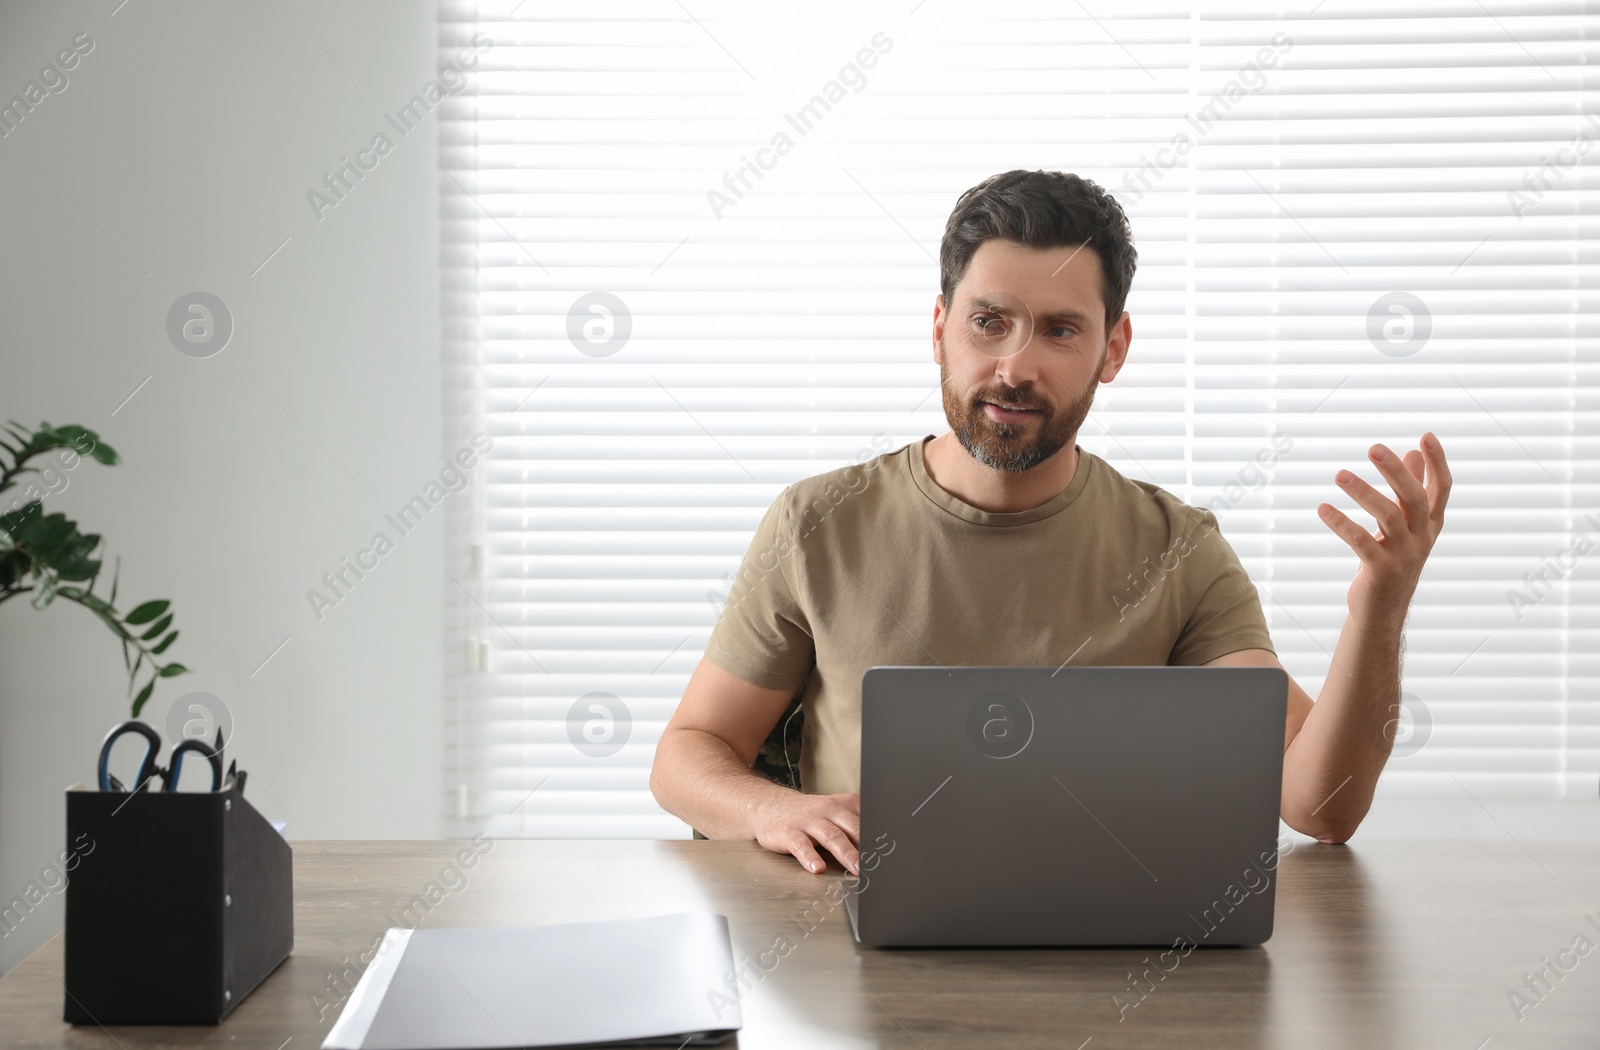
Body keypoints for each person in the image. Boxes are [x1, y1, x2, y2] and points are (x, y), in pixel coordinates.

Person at [650, 169, 1452, 876]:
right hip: (854, 948)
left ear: (1114, 348)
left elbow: (1321, 806)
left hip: (1108, 951)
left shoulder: (1178, 550)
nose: (1015, 367)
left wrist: (1378, 609)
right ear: (940, 329)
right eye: (988, 322)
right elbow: (688, 753)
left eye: (1061, 330)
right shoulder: (816, 522)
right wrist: (773, 813)